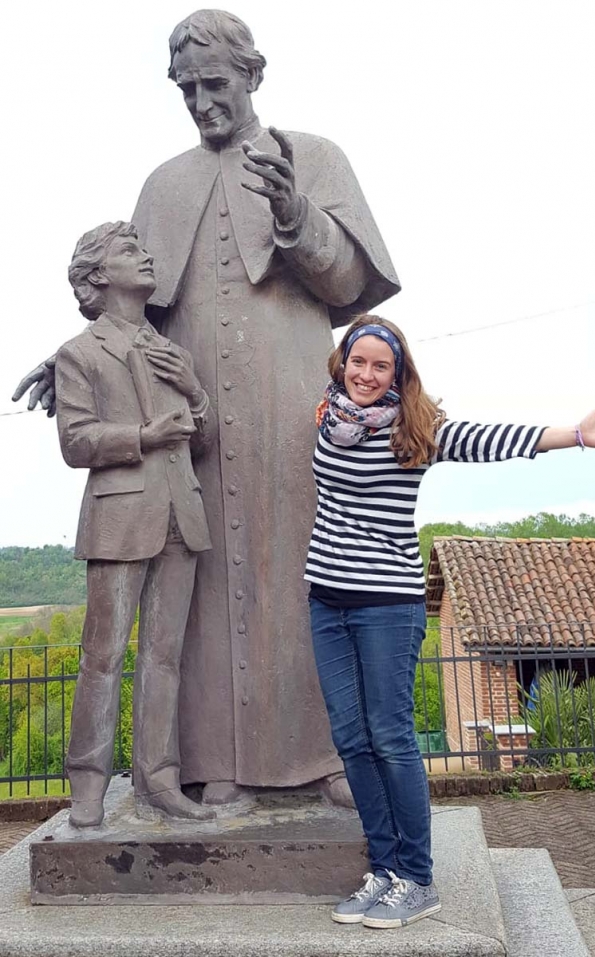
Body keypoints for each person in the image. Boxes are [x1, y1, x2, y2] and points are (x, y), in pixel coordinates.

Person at [12, 9, 400, 806]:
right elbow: (124, 305)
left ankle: (324, 757)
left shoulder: (314, 158)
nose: (201, 102)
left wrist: (295, 217)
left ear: (253, 76)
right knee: (202, 594)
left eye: (214, 84)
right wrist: (70, 355)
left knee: (304, 570)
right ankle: (210, 761)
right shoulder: (163, 184)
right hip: (188, 426)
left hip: (287, 406)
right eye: (186, 89)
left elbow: (349, 285)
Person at [308, 315, 595, 929]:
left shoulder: (420, 430)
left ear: (398, 373)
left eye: (379, 366)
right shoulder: (325, 421)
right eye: (357, 362)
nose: (365, 374)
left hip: (387, 603)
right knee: (351, 740)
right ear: (342, 364)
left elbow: (489, 437)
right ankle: (382, 869)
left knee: (390, 735)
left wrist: (574, 433)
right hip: (325, 599)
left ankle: (416, 878)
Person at [58, 220, 216, 827]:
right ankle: (88, 788)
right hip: (119, 518)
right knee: (102, 656)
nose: (146, 256)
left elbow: (201, 437)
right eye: (131, 250)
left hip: (182, 513)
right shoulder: (78, 353)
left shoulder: (172, 350)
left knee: (165, 656)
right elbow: (75, 441)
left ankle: (161, 781)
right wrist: (144, 436)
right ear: (99, 276)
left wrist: (195, 393)